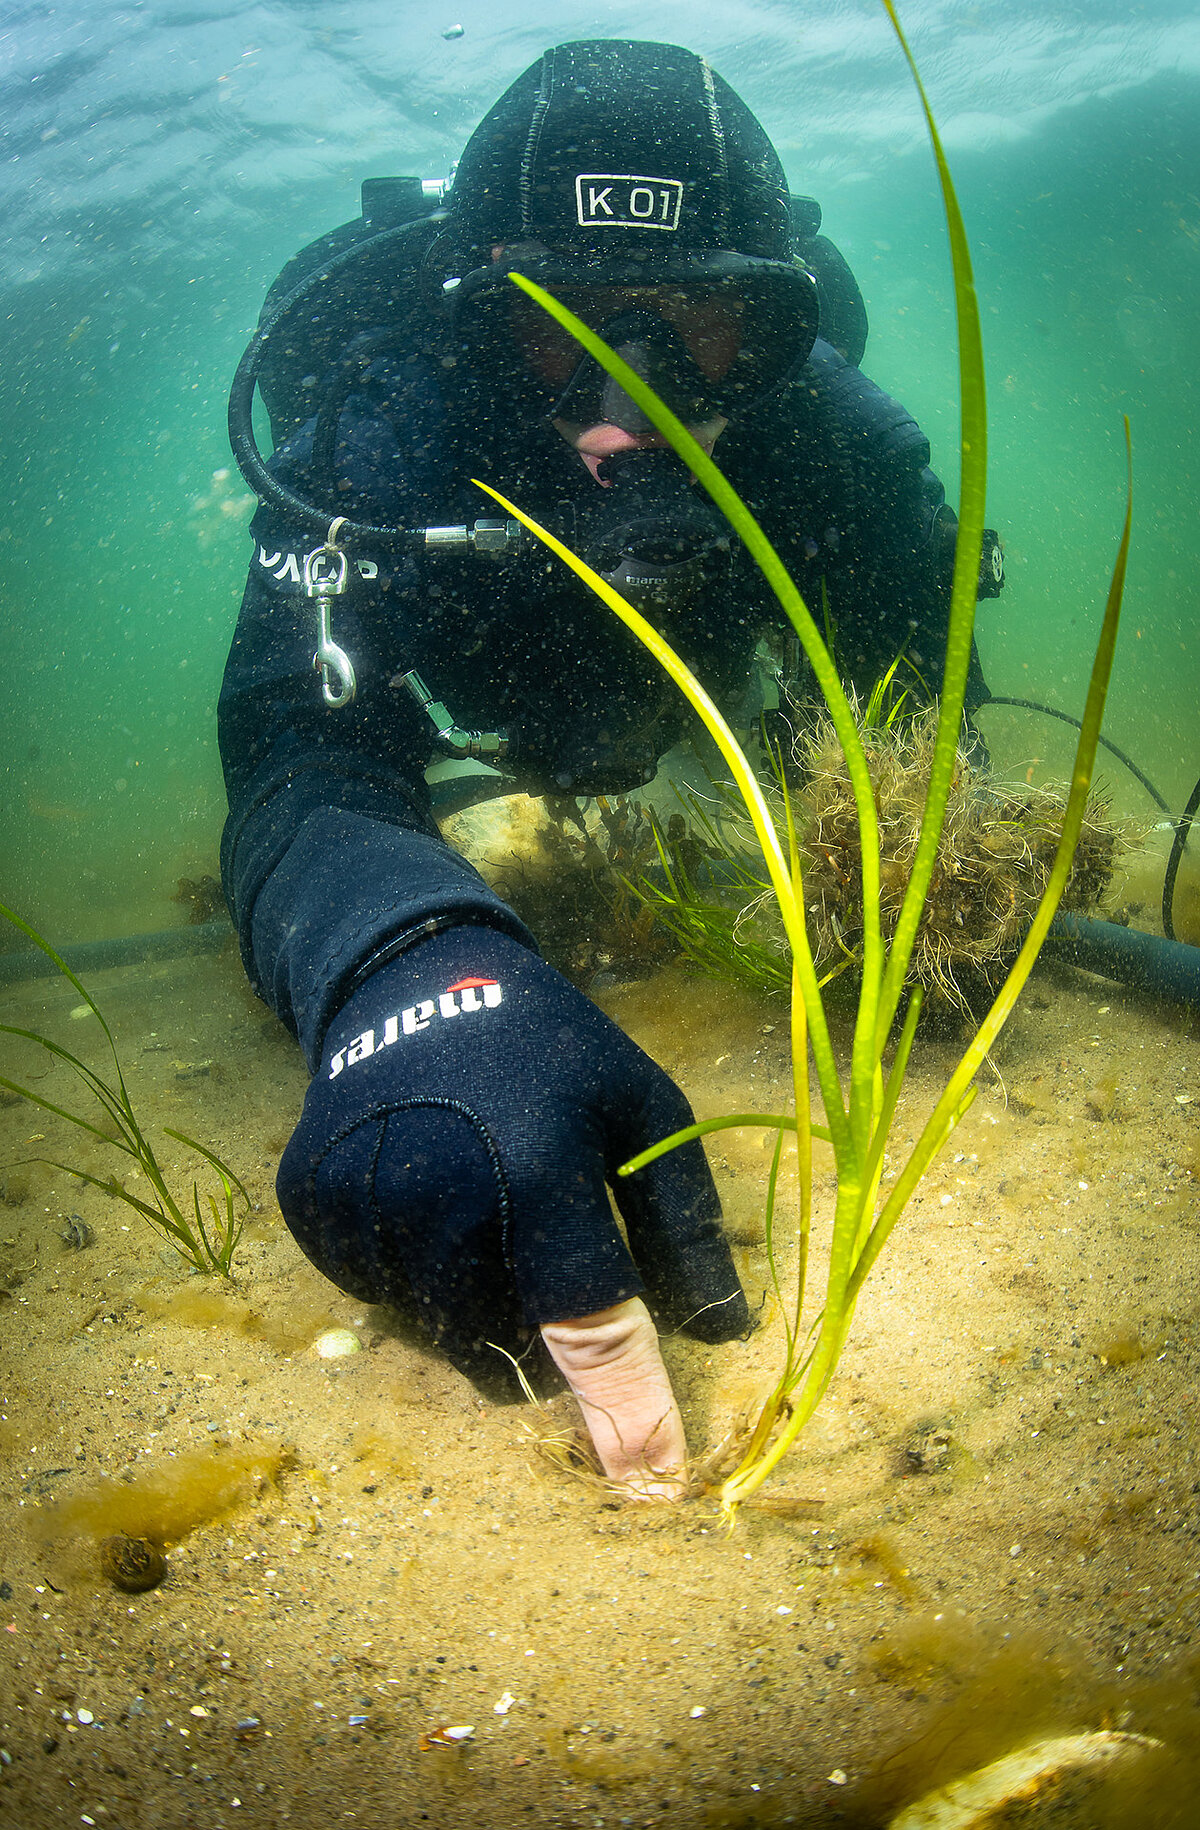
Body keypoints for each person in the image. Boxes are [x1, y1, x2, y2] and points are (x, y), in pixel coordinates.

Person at [218, 39, 1000, 1500]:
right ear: (467, 331)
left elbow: (914, 720)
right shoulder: (380, 448)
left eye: (703, 318)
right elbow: (295, 749)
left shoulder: (832, 445)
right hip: (487, 706)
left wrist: (898, 855)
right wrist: (407, 966)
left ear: (777, 334)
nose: (621, 402)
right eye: (550, 326)